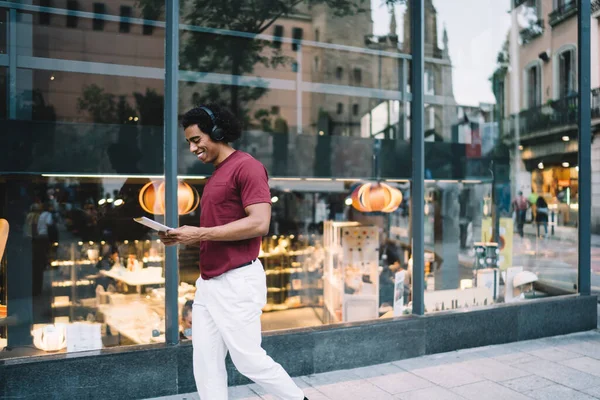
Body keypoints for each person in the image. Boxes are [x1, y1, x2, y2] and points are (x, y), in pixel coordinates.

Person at [159, 105, 307, 400]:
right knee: (205, 362)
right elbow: (220, 228)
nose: (192, 148)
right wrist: (183, 238)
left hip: (237, 281)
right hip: (209, 283)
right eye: (188, 142)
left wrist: (199, 233)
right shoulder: (216, 174)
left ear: (217, 132)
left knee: (249, 360)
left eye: (197, 139)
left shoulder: (247, 166)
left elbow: (259, 222)